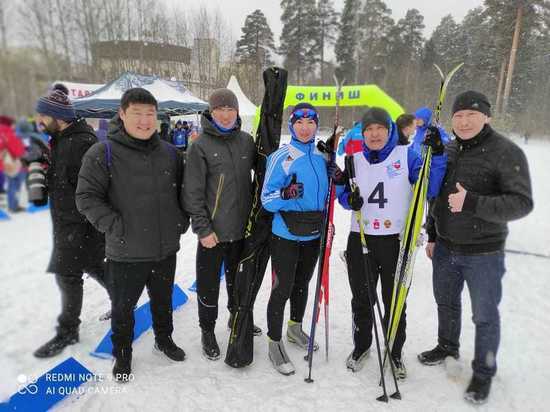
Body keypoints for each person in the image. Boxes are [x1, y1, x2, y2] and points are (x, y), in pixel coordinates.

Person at [419, 91, 533, 404]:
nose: (464, 121)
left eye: (472, 115)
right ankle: (447, 346)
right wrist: (432, 234)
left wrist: (473, 203)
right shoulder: (450, 149)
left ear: (487, 117)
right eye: (458, 116)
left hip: (484, 252)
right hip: (445, 246)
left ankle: (483, 373)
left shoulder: (505, 152)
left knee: (484, 315)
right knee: (446, 302)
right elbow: (436, 198)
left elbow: (521, 203)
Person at [76, 88, 189, 382]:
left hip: (165, 249)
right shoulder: (103, 153)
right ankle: (122, 353)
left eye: (150, 114)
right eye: (137, 113)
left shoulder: (169, 152)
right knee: (123, 309)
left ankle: (164, 340)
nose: (144, 120)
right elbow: (86, 197)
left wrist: (180, 220)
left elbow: (183, 193)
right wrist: (116, 226)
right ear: (122, 114)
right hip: (125, 252)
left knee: (162, 301)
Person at [337, 107, 447, 377]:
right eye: (369, 130)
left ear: (389, 130)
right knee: (362, 299)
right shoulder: (353, 159)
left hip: (396, 241)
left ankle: (394, 352)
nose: (374, 134)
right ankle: (362, 346)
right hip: (360, 239)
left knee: (395, 300)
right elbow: (342, 191)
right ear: (362, 134)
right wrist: (346, 199)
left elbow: (429, 186)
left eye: (379, 129)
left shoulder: (406, 155)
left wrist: (439, 155)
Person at [31, 86, 110, 358]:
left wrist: (86, 223)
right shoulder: (61, 139)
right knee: (95, 268)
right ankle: (124, 299)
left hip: (78, 226)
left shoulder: (81, 143)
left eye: (43, 116)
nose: (39, 121)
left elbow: (93, 189)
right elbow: (64, 182)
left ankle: (68, 332)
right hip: (66, 223)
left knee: (68, 276)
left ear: (58, 116)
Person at [183, 88, 258, 361]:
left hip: (241, 233)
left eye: (230, 109)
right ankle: (207, 330)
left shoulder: (247, 141)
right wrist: (203, 230)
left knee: (238, 284)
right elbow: (192, 193)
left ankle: (235, 319)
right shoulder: (200, 146)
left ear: (237, 112)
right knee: (208, 286)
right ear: (210, 112)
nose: (226, 115)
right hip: (212, 235)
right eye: (220, 109)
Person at [260, 102, 334, 376]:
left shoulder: (323, 155)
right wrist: (285, 195)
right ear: (291, 125)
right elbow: (266, 200)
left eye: (311, 122)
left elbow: (329, 192)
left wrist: (336, 175)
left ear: (316, 124)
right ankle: (274, 342)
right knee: (283, 287)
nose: (305, 128)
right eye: (299, 123)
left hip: (314, 232)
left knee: (302, 284)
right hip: (286, 234)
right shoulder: (281, 157)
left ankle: (294, 328)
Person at [0, 115, 26, 212]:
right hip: (10, 163)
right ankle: (13, 206)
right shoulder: (8, 133)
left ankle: (12, 205)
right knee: (14, 184)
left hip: (3, 164)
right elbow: (18, 150)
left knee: (10, 184)